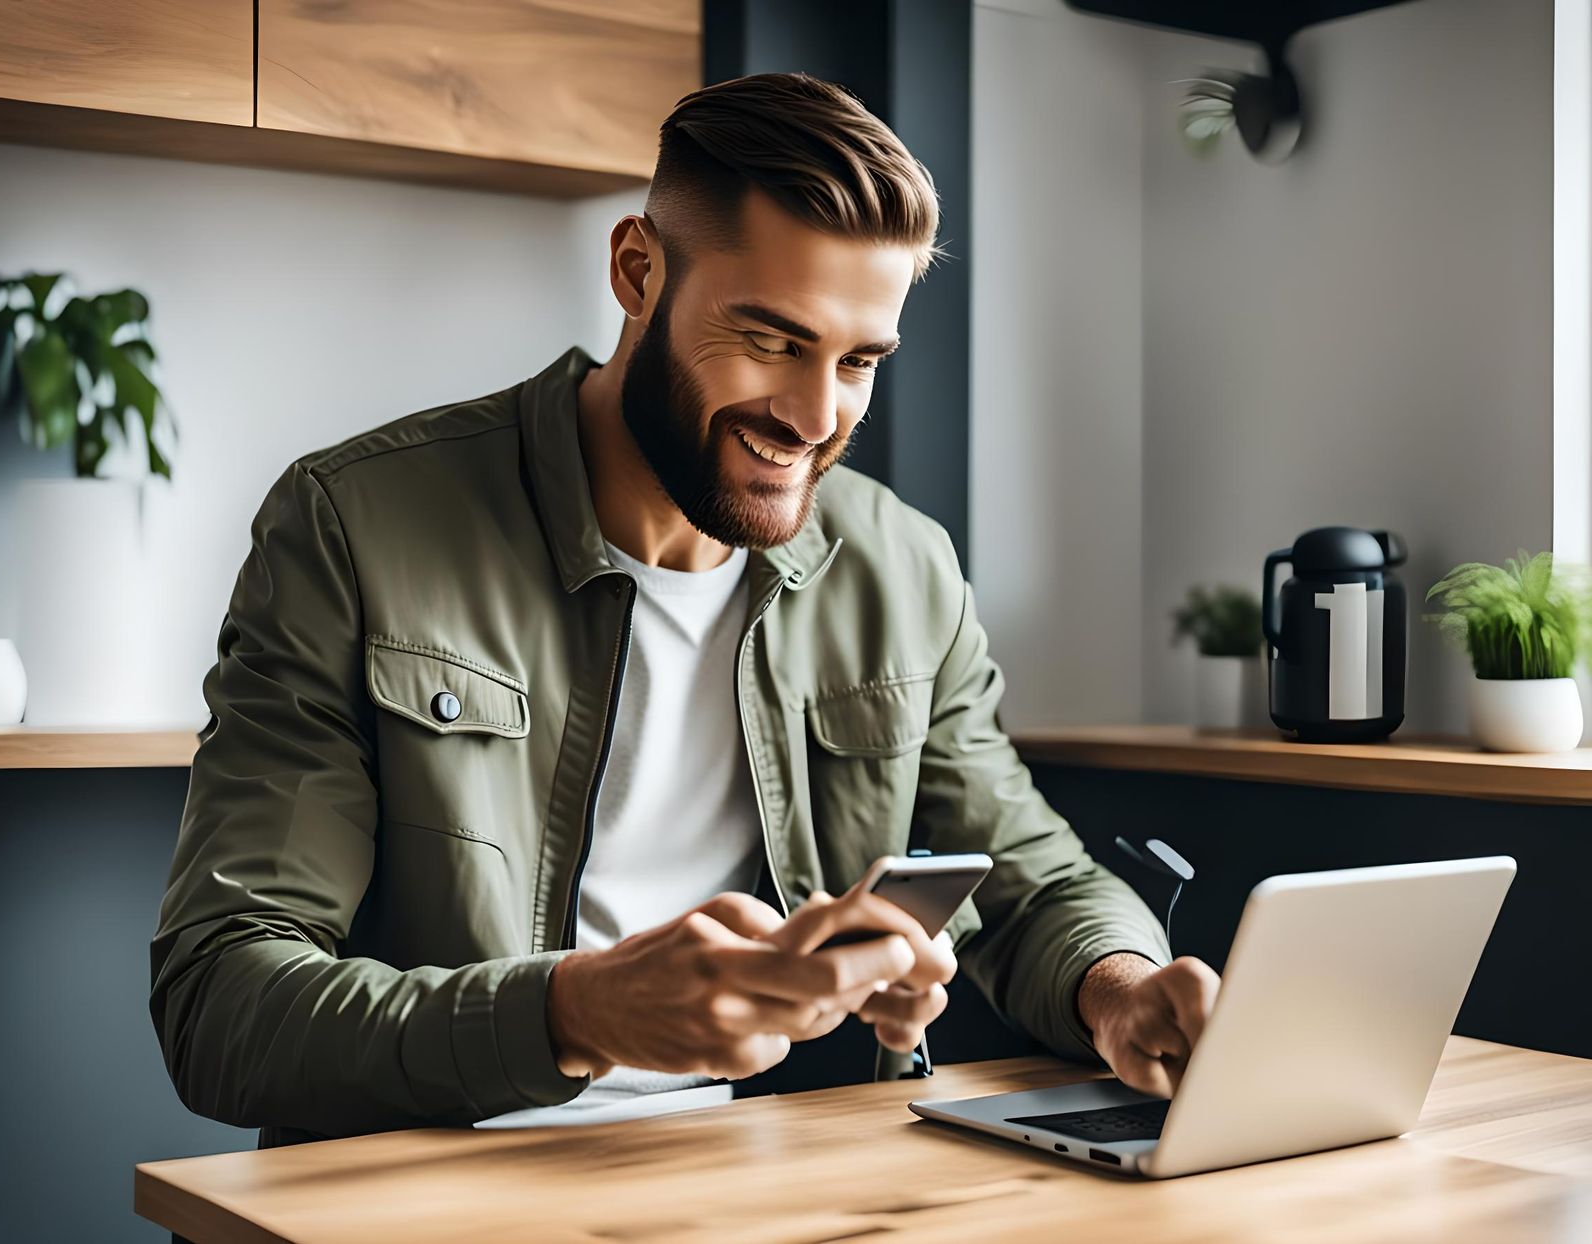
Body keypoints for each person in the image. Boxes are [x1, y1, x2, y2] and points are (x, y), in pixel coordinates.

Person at [150, 71, 1220, 1148]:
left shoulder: (902, 568)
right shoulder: (354, 525)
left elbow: (1033, 882)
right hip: (434, 1180)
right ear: (637, 271)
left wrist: (1123, 990)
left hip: (776, 1172)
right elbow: (221, 1002)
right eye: (772, 341)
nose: (815, 416)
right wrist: (577, 1011)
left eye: (857, 362)